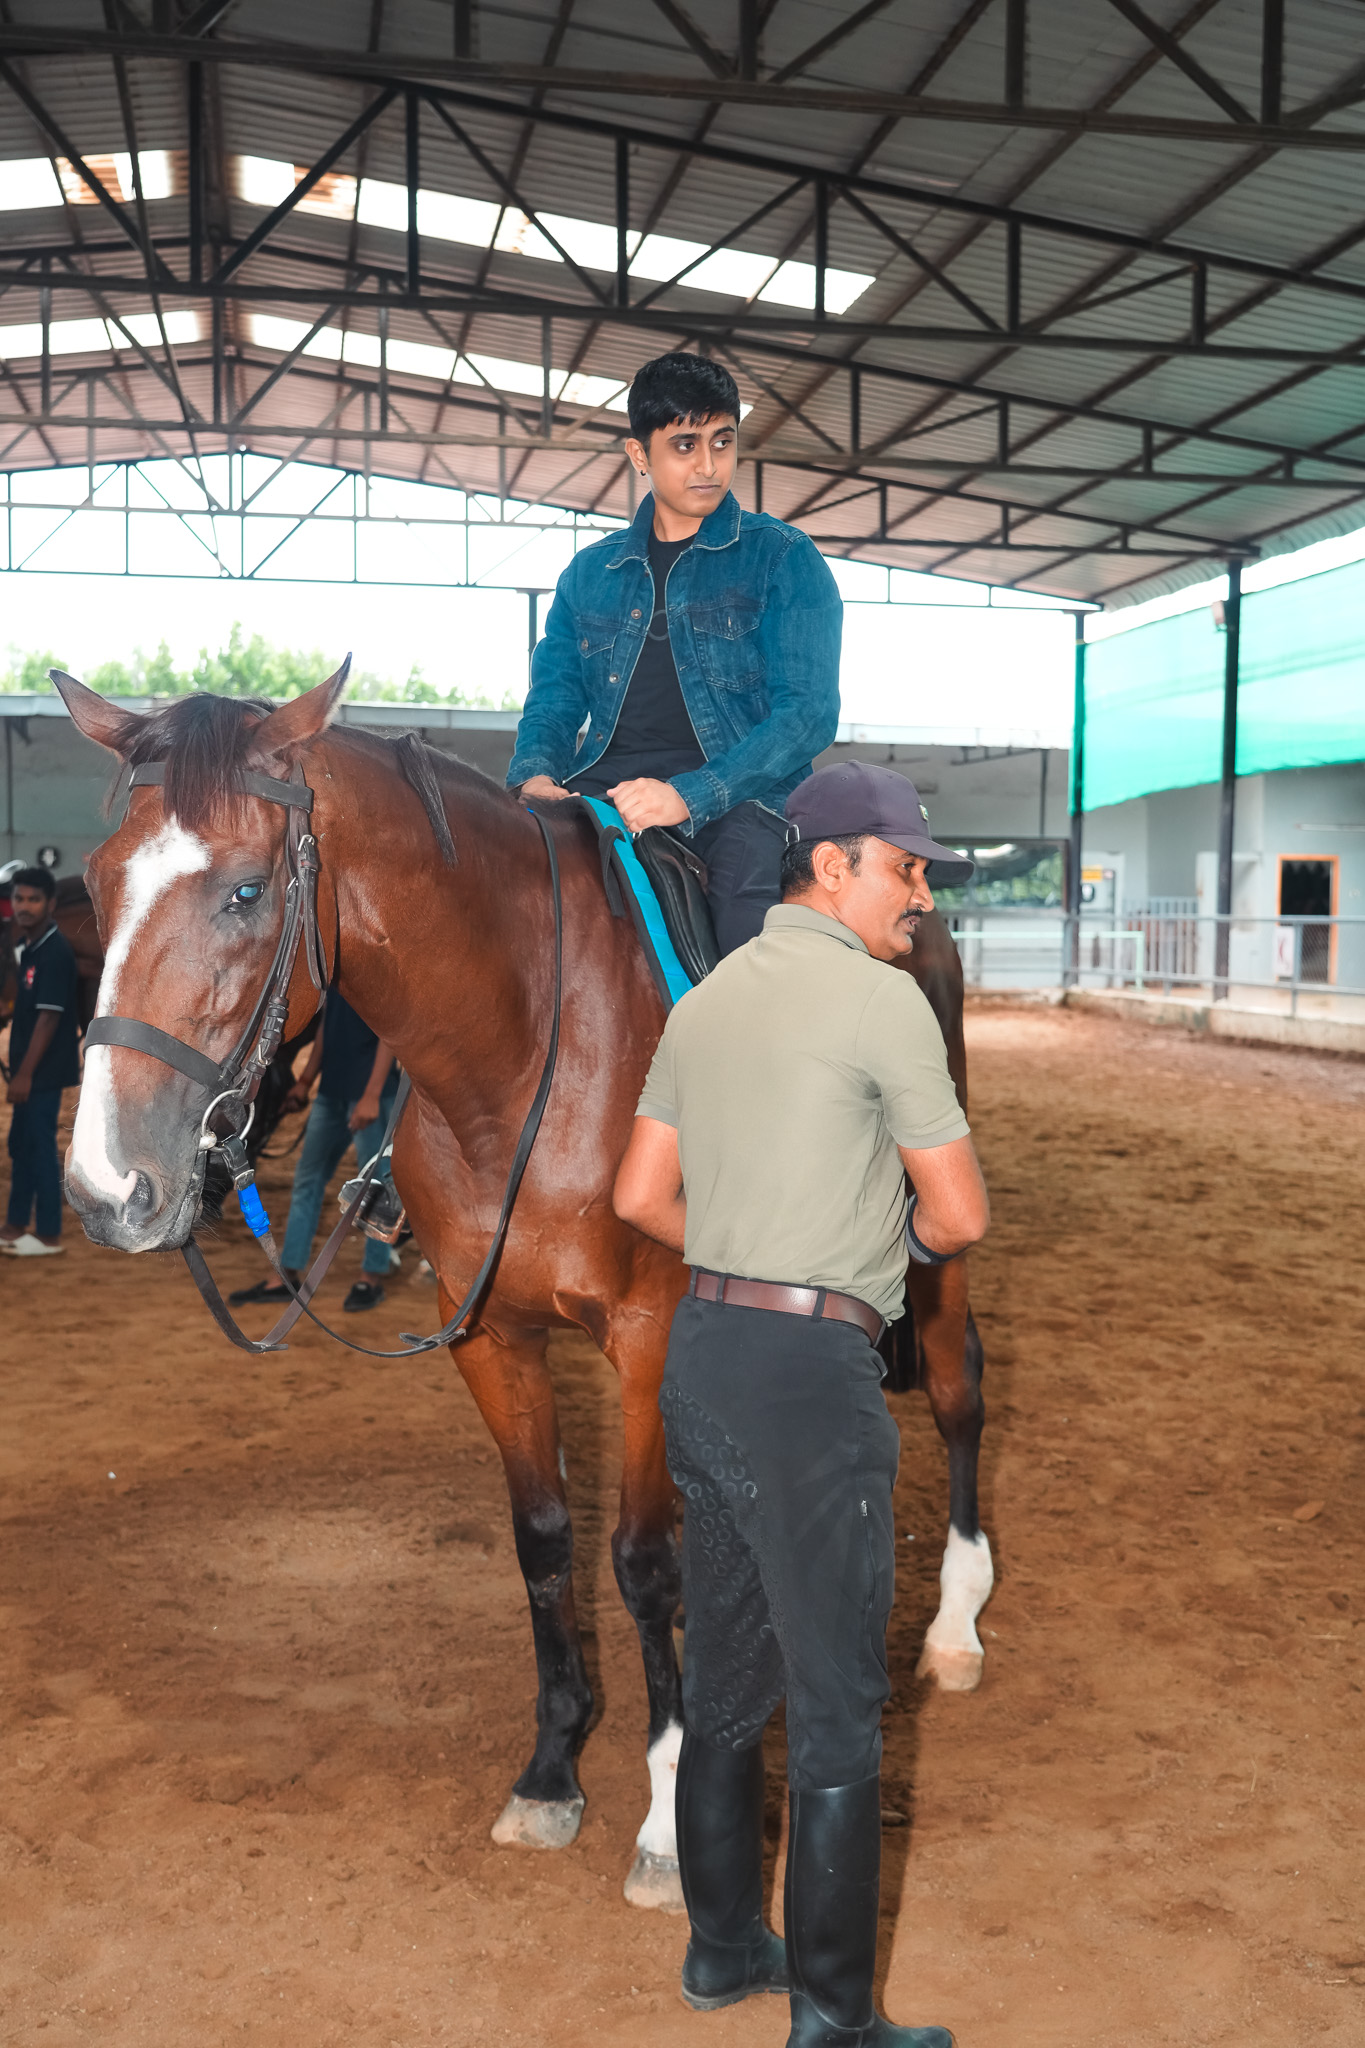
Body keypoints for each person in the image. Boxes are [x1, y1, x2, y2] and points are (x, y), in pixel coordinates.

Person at [613, 761, 989, 2047]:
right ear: (832, 865)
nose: (922, 896)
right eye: (907, 866)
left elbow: (636, 1199)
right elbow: (960, 1215)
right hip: (811, 1380)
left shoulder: (705, 999)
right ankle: (834, 2018)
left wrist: (746, 1238)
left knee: (725, 1674)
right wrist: (854, 1246)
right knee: (835, 1708)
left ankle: (724, 1951)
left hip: (705, 1356)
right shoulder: (883, 1005)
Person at [508, 350, 843, 955]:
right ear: (641, 455)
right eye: (686, 445)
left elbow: (808, 716)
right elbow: (554, 699)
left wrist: (688, 794)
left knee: (747, 943)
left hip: (739, 801)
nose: (710, 466)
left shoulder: (783, 558)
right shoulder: (589, 574)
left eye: (723, 442)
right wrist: (535, 775)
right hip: (602, 790)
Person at [229, 991, 399, 1314]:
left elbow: (389, 1035)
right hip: (331, 1095)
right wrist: (306, 1081)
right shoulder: (336, 978)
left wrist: (373, 1095)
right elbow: (326, 1029)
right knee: (308, 1179)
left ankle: (371, 1279)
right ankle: (288, 1276)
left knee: (374, 1189)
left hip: (369, 1097)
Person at [3, 865, 80, 1258]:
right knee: (22, 1145)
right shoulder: (31, 947)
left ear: (50, 904)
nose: (25, 906)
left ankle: (48, 1235)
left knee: (40, 1147)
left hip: (42, 1074)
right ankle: (15, 1227)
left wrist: (25, 1075)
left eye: (33, 899)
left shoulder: (53, 952)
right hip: (28, 1073)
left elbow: (49, 1018)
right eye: (19, 899)